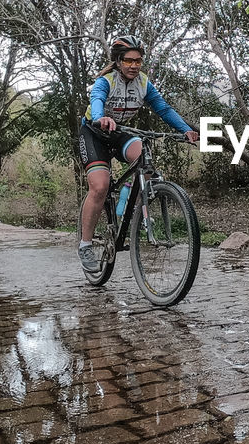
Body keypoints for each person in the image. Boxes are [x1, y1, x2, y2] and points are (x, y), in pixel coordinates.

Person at [78, 34, 200, 272]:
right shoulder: (106, 81)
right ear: (118, 61)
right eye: (129, 61)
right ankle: (85, 244)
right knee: (100, 186)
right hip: (95, 132)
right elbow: (97, 99)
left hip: (121, 131)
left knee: (144, 158)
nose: (134, 65)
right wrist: (100, 116)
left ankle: (132, 210)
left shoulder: (143, 83)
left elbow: (163, 108)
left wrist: (186, 130)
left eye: (138, 61)